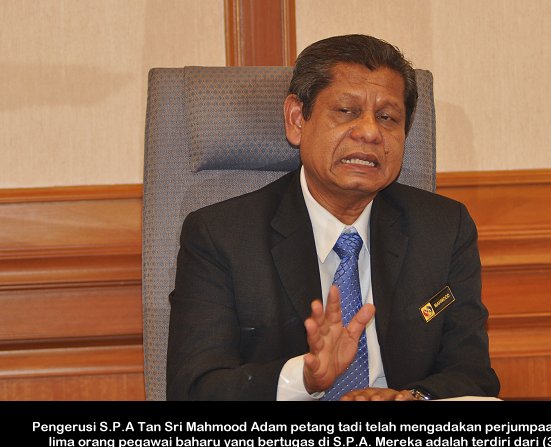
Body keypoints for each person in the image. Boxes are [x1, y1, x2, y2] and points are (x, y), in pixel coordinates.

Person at [167, 34, 500, 401]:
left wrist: (411, 398)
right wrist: (304, 379)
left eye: (387, 117)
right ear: (297, 120)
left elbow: (473, 375)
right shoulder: (221, 237)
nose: (370, 132)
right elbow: (194, 389)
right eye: (346, 111)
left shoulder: (443, 228)